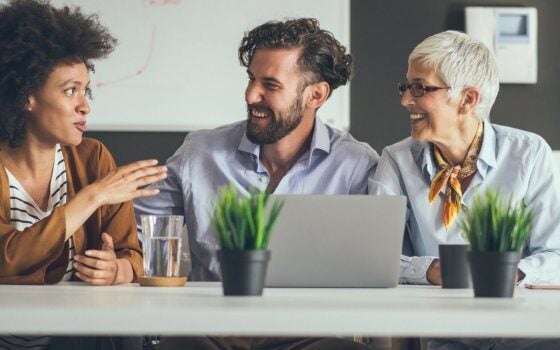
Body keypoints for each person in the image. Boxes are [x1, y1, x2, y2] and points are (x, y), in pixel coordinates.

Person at [134, 18, 377, 350]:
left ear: (316, 94)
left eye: (270, 85)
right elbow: (139, 234)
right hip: (210, 336)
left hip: (310, 338)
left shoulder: (355, 165)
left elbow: (371, 266)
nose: (251, 95)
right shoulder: (200, 152)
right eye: (251, 79)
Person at [369, 30, 560, 349]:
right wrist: (433, 270)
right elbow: (375, 259)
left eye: (420, 88)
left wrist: (507, 273)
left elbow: (555, 254)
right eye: (406, 87)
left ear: (467, 100)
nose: (405, 100)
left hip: (530, 338)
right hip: (450, 341)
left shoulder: (528, 153)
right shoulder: (397, 160)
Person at [0, 0, 166, 347]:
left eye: (85, 90)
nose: (85, 105)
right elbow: (9, 259)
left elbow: (132, 256)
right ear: (26, 96)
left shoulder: (93, 158)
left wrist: (114, 270)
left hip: (77, 338)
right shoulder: (98, 186)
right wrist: (94, 196)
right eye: (70, 90)